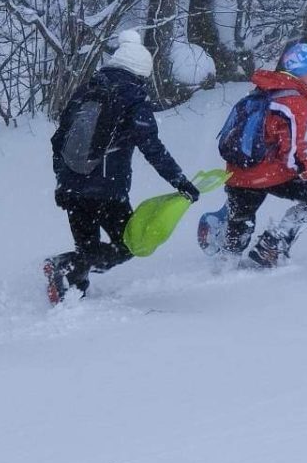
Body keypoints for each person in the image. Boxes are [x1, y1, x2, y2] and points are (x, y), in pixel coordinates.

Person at [44, 31, 200, 304]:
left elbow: (58, 138)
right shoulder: (133, 99)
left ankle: (71, 299)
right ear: (141, 73)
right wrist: (179, 181)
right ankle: (65, 265)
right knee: (127, 245)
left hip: (71, 187)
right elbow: (151, 146)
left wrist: (63, 178)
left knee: (87, 249)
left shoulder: (86, 91)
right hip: (106, 189)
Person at [212, 41, 307, 268]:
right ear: (302, 71)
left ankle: (225, 264)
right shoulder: (294, 101)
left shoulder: (263, 89)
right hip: (268, 173)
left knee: (240, 220)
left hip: (237, 172)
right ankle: (273, 244)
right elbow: (291, 150)